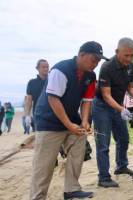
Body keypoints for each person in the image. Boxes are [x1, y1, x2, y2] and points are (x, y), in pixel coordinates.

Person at [30, 41, 107, 200]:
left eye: (98, 61)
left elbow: (87, 101)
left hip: (71, 118)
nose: (96, 64)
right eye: (94, 59)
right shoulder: (61, 69)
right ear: (81, 55)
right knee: (44, 164)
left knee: (79, 148)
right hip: (48, 121)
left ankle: (71, 189)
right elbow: (53, 99)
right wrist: (68, 125)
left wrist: (84, 121)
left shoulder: (91, 76)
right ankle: (37, 196)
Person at [93, 37, 133, 188]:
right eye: (126, 55)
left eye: (132, 55)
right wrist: (122, 109)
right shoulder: (107, 67)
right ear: (117, 52)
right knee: (103, 143)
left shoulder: (130, 66)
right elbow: (106, 95)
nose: (129, 59)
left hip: (118, 106)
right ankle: (103, 178)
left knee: (123, 138)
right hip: (102, 106)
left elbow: (129, 86)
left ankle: (121, 166)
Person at [24, 59, 49, 131]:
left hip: (52, 114)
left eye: (47, 67)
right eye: (43, 67)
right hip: (38, 114)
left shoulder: (52, 80)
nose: (46, 69)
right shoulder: (32, 82)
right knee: (38, 137)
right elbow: (29, 100)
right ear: (37, 68)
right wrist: (27, 115)